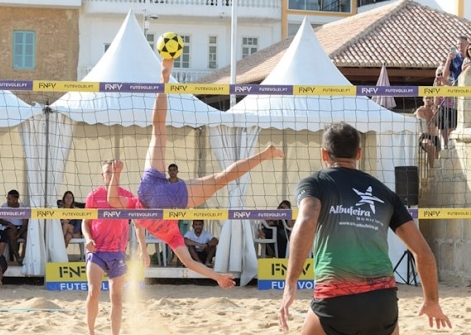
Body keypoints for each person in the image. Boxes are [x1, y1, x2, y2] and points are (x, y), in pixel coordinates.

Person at [107, 59, 284, 289]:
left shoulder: (165, 233)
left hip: (157, 194)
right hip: (164, 194)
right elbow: (185, 259)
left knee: (221, 176)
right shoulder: (163, 231)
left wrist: (216, 276)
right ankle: (164, 80)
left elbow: (188, 261)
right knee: (158, 132)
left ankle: (264, 154)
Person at [278, 122, 451, 335]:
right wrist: (431, 300)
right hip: (383, 301)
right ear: (358, 153)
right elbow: (424, 253)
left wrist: (291, 282)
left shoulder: (316, 184)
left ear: (324, 154)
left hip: (336, 299)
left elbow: (306, 222)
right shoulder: (385, 193)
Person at [83, 160, 148, 335]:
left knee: (117, 298)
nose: (110, 175)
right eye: (108, 172)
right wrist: (88, 238)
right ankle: (91, 332)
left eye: (113, 172)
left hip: (118, 253)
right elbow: (85, 222)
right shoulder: (94, 196)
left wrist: (143, 249)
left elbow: (137, 224)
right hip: (97, 251)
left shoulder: (126, 196)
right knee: (93, 292)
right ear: (102, 175)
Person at [0, 189, 28, 264]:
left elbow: (25, 224)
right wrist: (9, 224)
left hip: (21, 228)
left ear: (15, 200)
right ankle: (17, 256)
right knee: (11, 235)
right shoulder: (4, 206)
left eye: (9, 199)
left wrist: (19, 234)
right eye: (7, 198)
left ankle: (23, 257)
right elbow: (0, 220)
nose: (7, 200)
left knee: (28, 236)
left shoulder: (23, 207)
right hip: (9, 227)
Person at [414, 96, 440, 169]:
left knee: (436, 156)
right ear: (423, 99)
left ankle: (434, 172)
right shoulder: (420, 111)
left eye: (430, 98)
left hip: (434, 136)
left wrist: (435, 113)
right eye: (426, 98)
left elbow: (438, 124)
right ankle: (432, 169)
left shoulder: (435, 110)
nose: (428, 100)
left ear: (433, 99)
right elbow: (425, 124)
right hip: (424, 135)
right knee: (430, 146)